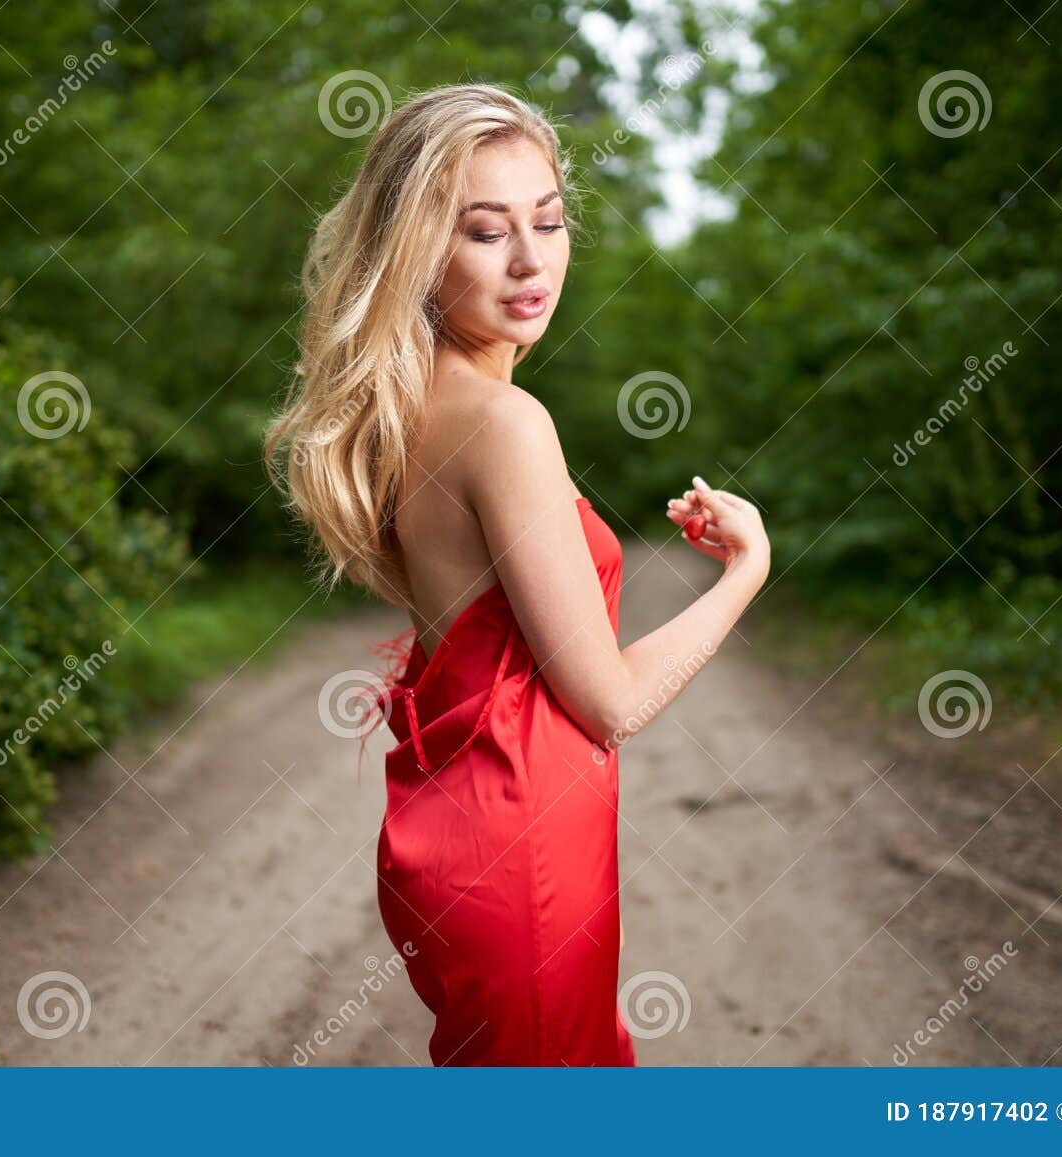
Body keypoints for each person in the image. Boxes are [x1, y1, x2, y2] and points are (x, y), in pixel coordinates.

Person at [264, 82, 769, 1065]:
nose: (532, 259)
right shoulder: (503, 424)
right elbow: (610, 702)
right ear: (417, 252)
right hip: (524, 847)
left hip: (468, 835)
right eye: (487, 231)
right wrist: (744, 571)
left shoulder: (415, 410)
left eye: (547, 220)